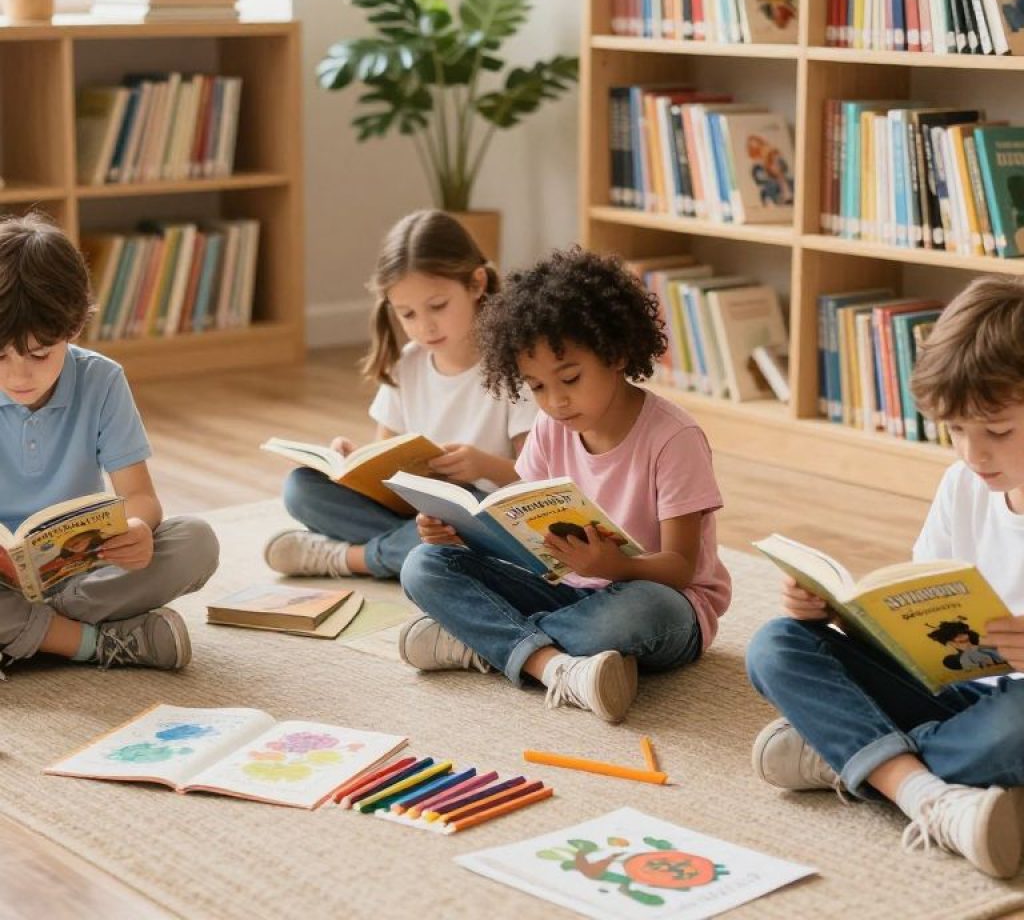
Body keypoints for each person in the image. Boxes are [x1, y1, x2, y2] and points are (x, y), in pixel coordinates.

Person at [746, 275, 1024, 879]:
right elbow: (916, 609)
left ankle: (858, 757)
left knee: (1015, 727)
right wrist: (837, 613)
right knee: (775, 645)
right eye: (955, 432)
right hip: (953, 689)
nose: (973, 456)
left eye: (997, 432)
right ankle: (930, 788)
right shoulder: (964, 485)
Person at [397, 247, 732, 723]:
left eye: (570, 378)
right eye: (535, 387)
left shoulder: (674, 439)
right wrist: (457, 532)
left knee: (640, 611)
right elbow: (525, 524)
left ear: (616, 354)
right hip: (569, 590)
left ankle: (486, 640)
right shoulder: (552, 426)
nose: (554, 401)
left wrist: (614, 565)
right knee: (423, 564)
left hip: (662, 604)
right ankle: (552, 665)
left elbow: (681, 570)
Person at [0, 213, 219, 675]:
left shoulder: (101, 380)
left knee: (196, 541)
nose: (19, 375)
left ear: (74, 327)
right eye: (0, 356)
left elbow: (139, 495)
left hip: (83, 575)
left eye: (39, 354)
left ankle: (36, 635)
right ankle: (97, 642)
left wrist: (138, 529)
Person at [264, 210, 536, 579]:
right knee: (301, 488)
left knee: (472, 518)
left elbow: (537, 485)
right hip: (417, 516)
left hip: (479, 512)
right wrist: (351, 463)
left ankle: (348, 559)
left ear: (476, 284)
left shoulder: (516, 366)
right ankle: (417, 554)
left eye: (437, 306)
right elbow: (387, 467)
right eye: (407, 314)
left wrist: (483, 466)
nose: (424, 326)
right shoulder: (407, 364)